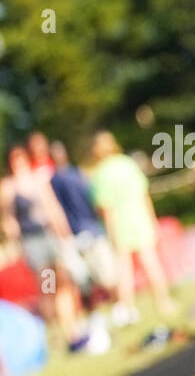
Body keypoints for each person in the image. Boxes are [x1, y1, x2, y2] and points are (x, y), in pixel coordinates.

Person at [0, 145, 90, 351]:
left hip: (49, 236)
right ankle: (56, 329)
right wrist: (14, 239)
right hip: (33, 241)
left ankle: (71, 325)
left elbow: (52, 206)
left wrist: (63, 231)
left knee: (63, 282)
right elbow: (9, 218)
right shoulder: (8, 187)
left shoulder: (37, 180)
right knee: (47, 286)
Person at [86, 131, 177, 322]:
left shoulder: (100, 173)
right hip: (140, 218)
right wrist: (152, 219)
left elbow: (105, 207)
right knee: (150, 262)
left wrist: (110, 232)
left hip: (119, 224)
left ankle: (126, 309)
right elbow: (144, 193)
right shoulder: (127, 164)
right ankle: (163, 302)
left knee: (124, 269)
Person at [48, 140, 119, 308]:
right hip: (81, 231)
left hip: (85, 230)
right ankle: (110, 305)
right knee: (94, 276)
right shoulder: (69, 177)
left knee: (101, 274)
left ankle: (114, 304)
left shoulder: (71, 175)